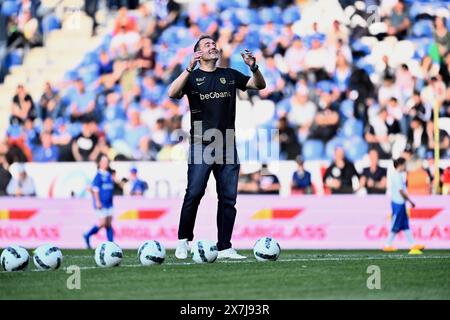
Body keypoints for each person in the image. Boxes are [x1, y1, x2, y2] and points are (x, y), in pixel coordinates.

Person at [168, 35, 266, 260]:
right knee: (194, 193)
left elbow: (259, 85)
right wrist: (188, 69)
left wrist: (254, 68)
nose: (212, 46)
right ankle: (183, 241)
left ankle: (225, 247)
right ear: (198, 53)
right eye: (206, 45)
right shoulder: (192, 77)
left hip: (227, 145)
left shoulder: (229, 74)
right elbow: (172, 93)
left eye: (213, 44)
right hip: (201, 144)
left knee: (228, 198)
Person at [383, 157, 424, 254]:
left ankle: (413, 244)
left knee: (405, 224)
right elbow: (401, 191)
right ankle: (387, 244)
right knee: (396, 224)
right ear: (400, 165)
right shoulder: (396, 176)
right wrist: (410, 201)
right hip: (398, 203)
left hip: (400, 203)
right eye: (404, 164)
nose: (405, 166)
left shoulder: (399, 175)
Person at [83, 155, 115, 249]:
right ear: (100, 163)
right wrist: (97, 201)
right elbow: (95, 190)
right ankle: (87, 235)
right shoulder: (98, 176)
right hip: (101, 203)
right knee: (102, 223)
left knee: (108, 223)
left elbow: (110, 189)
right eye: (103, 162)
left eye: (106, 161)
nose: (105, 163)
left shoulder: (108, 175)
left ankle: (111, 243)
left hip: (109, 203)